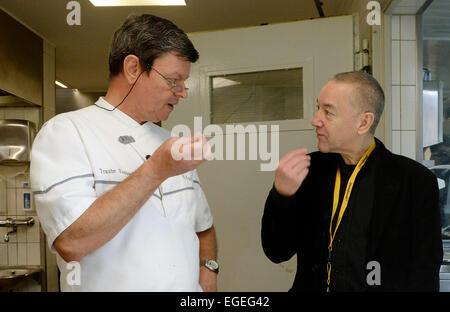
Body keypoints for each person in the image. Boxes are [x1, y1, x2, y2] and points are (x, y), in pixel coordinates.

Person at [30, 14, 218, 292]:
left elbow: (204, 226)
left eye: (184, 82)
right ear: (133, 68)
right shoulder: (66, 132)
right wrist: (156, 171)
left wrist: (209, 270)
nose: (182, 93)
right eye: (174, 80)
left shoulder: (169, 142)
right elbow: (72, 243)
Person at [261, 71, 443, 292]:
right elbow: (276, 251)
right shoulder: (309, 170)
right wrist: (282, 195)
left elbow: (425, 272)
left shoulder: (414, 181)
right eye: (317, 108)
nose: (315, 120)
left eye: (328, 112)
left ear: (363, 122)